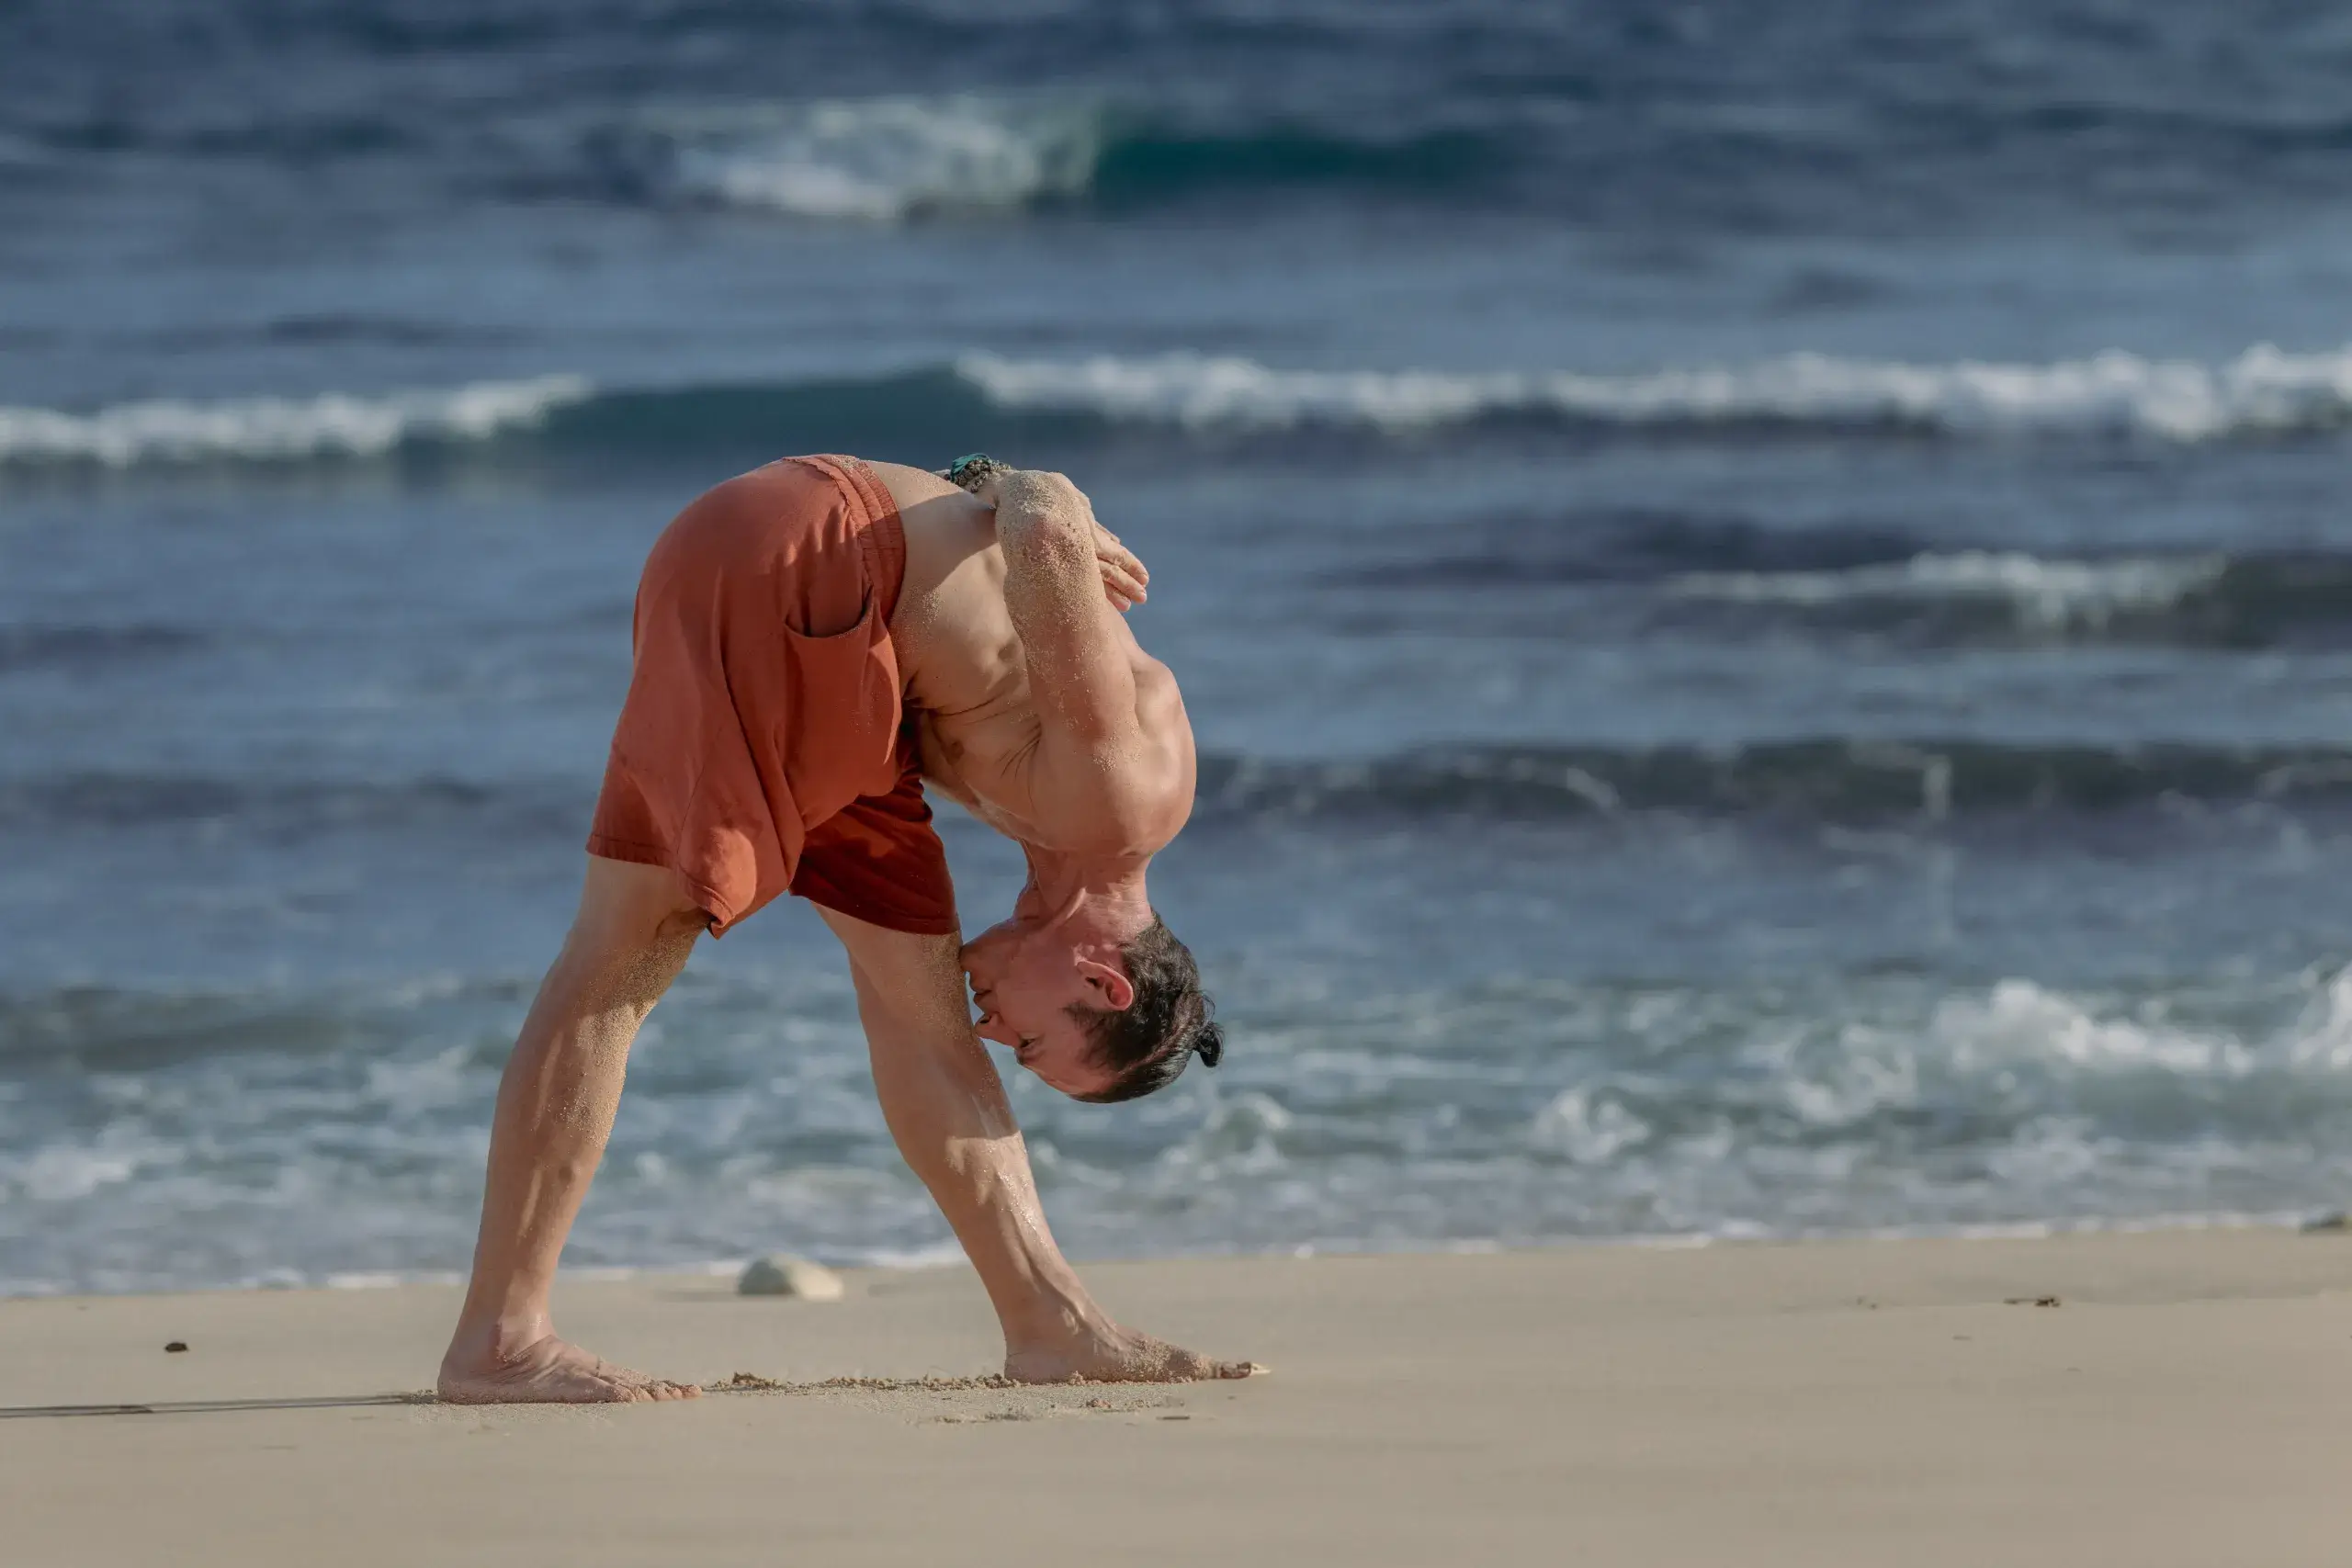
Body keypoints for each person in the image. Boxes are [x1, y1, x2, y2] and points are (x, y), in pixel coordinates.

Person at [435, 454, 1250, 1403]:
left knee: (926, 1028)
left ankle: (1048, 1326)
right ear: (1103, 981)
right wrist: (1006, 482)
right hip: (815, 571)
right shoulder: (1124, 803)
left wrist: (991, 506)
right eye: (1029, 1038)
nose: (1001, 1029)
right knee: (625, 950)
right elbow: (1051, 520)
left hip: (847, 651)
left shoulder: (1054, 830)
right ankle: (499, 1340)